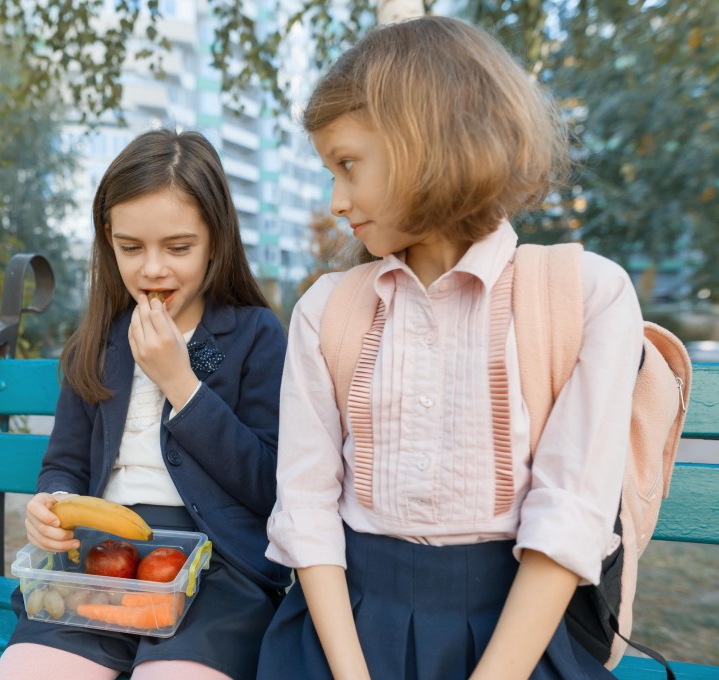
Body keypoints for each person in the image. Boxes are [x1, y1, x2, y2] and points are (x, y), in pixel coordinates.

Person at [258, 16, 642, 680]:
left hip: (521, 640)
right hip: (342, 629)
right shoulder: (327, 310)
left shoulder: (587, 296)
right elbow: (307, 506)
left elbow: (567, 518)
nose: (336, 200)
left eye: (347, 165)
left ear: (423, 141)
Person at [0, 129, 290, 680]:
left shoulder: (255, 335)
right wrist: (50, 503)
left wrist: (183, 385)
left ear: (216, 241)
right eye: (131, 248)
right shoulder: (99, 342)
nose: (152, 269)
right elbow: (65, 461)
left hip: (219, 570)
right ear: (109, 241)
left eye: (178, 247)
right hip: (96, 560)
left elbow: (269, 485)